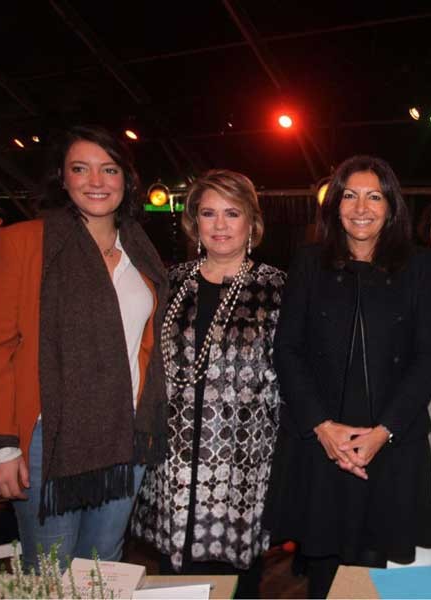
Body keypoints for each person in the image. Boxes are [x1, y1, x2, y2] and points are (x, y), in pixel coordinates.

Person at [0, 125, 168, 571]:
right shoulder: (24, 242)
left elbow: (147, 346)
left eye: (109, 169)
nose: (96, 181)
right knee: (53, 571)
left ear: (126, 180)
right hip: (48, 440)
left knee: (105, 567)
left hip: (125, 437)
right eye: (81, 168)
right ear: (63, 177)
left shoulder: (140, 249)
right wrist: (0, 448)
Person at [264, 155, 431, 597]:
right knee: (324, 569)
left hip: (392, 445)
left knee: (387, 574)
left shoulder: (418, 266)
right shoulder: (308, 262)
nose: (361, 207)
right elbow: (287, 350)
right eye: (350, 195)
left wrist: (384, 432)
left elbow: (427, 357)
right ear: (334, 205)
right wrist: (322, 428)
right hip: (324, 445)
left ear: (392, 206)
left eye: (374, 196)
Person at [131, 170, 284, 598]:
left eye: (231, 213)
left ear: (251, 223)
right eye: (208, 213)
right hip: (173, 458)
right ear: (193, 222)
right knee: (173, 578)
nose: (219, 225)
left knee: (237, 578)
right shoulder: (170, 282)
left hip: (244, 459)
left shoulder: (277, 288)